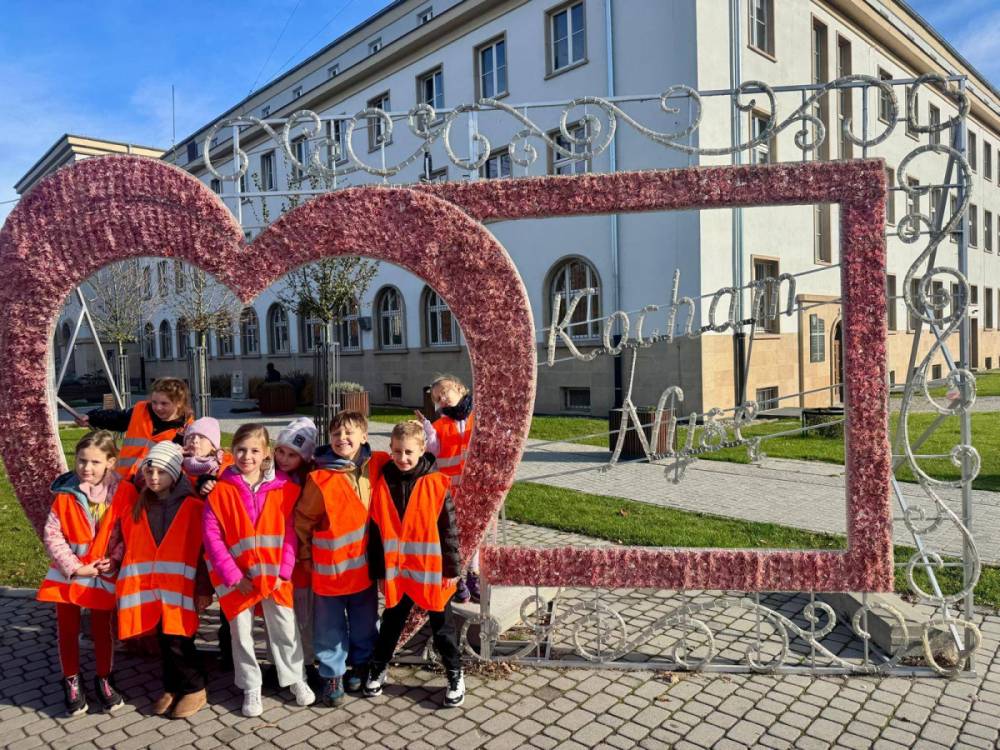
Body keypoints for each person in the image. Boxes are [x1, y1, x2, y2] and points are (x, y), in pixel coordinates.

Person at [203, 423, 315, 717]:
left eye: (254, 450)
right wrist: (233, 577)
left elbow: (291, 534)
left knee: (285, 629)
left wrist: (284, 573)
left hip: (274, 576)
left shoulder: (286, 489)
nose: (247, 456)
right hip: (237, 579)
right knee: (241, 634)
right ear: (232, 451)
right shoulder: (220, 490)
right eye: (241, 450)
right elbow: (212, 538)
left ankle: (296, 677)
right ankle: (251, 686)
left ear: (267, 453)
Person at [365, 421, 465, 708]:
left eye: (409, 452)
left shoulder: (436, 484)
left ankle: (455, 673)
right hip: (398, 571)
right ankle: (379, 666)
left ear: (422, 449)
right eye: (397, 451)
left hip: (432, 571)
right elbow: (376, 530)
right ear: (390, 449)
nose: (402, 457)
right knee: (391, 624)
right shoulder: (383, 483)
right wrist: (379, 572)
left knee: (442, 628)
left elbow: (449, 530)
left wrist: (452, 570)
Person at [113, 441, 213, 719]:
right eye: (149, 471)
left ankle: (194, 687)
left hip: (181, 588)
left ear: (176, 473)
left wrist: (203, 588)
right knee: (164, 638)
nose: (154, 478)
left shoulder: (193, 506)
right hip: (152, 587)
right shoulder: (140, 505)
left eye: (161, 472)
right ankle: (172, 685)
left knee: (180, 640)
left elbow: (202, 551)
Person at [294, 411, 388, 706]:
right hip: (330, 570)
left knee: (364, 622)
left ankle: (361, 664)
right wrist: (305, 556)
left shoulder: (378, 465)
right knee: (329, 627)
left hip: (363, 569)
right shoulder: (320, 478)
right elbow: (304, 521)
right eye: (336, 434)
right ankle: (332, 673)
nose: (342, 438)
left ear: (364, 436)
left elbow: (409, 458)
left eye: (349, 433)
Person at [37, 430, 124, 716]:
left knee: (102, 629)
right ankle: (71, 679)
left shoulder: (121, 494)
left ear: (110, 462)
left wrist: (115, 558)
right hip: (69, 574)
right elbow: (52, 535)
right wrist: (75, 567)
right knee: (67, 629)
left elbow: (126, 532)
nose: (87, 468)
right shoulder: (65, 495)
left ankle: (104, 678)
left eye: (95, 462)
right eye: (82, 460)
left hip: (102, 573)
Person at [414, 374, 478, 603]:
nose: (442, 399)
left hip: (476, 489)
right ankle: (457, 576)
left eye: (444, 392)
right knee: (454, 535)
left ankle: (474, 575)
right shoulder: (439, 426)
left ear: (460, 388)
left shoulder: (478, 418)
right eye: (437, 398)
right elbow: (432, 450)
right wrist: (426, 431)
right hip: (451, 492)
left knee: (476, 533)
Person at [272, 417, 319, 684]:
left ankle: (307, 662)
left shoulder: (308, 480)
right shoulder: (270, 476)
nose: (284, 459)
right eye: (280, 451)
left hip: (302, 557)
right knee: (281, 617)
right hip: (277, 554)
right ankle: (283, 665)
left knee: (306, 615)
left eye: (292, 455)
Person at [75, 377, 194, 480]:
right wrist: (91, 417)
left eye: (164, 403)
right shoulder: (141, 410)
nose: (158, 407)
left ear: (179, 403)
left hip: (151, 486)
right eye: (154, 402)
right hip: (122, 479)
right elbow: (117, 419)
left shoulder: (187, 430)